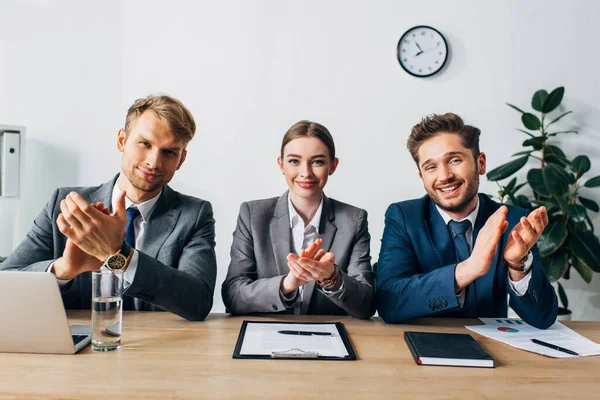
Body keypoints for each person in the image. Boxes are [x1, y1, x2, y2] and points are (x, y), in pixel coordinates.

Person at [1, 94, 216, 321]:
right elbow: (6, 283)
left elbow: (198, 302)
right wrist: (63, 269)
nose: (154, 162)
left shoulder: (194, 214)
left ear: (181, 160)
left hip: (156, 349)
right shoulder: (64, 203)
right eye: (145, 144)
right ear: (121, 140)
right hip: (77, 349)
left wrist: (119, 254)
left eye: (169, 152)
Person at [376, 113, 558, 329]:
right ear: (421, 176)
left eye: (454, 160)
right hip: (425, 341)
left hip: (495, 348)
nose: (444, 176)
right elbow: (389, 301)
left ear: (480, 163)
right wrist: (468, 269)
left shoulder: (514, 221)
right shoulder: (404, 217)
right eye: (431, 167)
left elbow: (542, 318)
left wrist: (517, 265)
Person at [222, 120, 375, 318]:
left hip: (328, 337)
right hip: (264, 335)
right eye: (294, 161)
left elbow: (367, 305)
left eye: (317, 161)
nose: (306, 173)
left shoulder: (353, 220)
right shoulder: (253, 215)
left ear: (333, 165)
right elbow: (232, 295)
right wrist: (288, 283)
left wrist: (331, 278)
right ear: (281, 164)